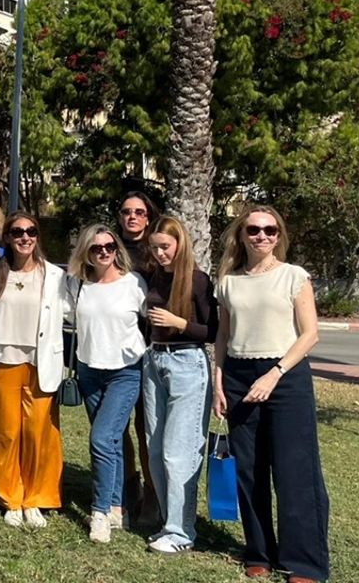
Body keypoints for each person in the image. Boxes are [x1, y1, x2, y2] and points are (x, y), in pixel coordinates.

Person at [213, 206, 327, 583]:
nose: (262, 236)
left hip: (286, 376)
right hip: (238, 376)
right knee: (249, 469)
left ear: (279, 235)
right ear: (241, 235)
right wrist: (218, 382)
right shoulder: (228, 282)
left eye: (270, 230)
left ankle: (304, 563)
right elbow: (223, 336)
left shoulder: (293, 276)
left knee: (295, 470)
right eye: (254, 230)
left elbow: (310, 334)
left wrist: (274, 374)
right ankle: (259, 551)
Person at [0, 212, 68, 529]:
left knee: (38, 433)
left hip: (41, 362)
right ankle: (10, 498)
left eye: (31, 231)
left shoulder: (55, 276)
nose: (25, 237)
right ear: (7, 237)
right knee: (4, 433)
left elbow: (71, 312)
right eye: (17, 232)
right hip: (3, 361)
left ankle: (35, 498)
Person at [141, 214, 218, 554]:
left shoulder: (198, 281)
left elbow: (213, 332)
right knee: (156, 449)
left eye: (165, 247)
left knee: (178, 451)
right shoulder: (155, 276)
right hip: (154, 361)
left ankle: (182, 532)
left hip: (187, 362)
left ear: (180, 244)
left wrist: (179, 322)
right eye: (155, 247)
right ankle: (169, 522)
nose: (160, 253)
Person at [68, 223, 147, 544]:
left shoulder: (133, 283)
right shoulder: (78, 284)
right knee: (112, 442)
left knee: (101, 438)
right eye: (96, 247)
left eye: (109, 247)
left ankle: (99, 512)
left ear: (117, 250)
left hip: (125, 372)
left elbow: (152, 321)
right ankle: (117, 507)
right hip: (89, 371)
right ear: (86, 251)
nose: (103, 252)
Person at [117, 191, 160, 522]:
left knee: (148, 426)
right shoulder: (109, 248)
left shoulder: (157, 251)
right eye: (127, 211)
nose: (132, 217)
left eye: (139, 212)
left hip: (150, 350)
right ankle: (128, 485)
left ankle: (152, 492)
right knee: (117, 427)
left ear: (148, 217)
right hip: (115, 351)